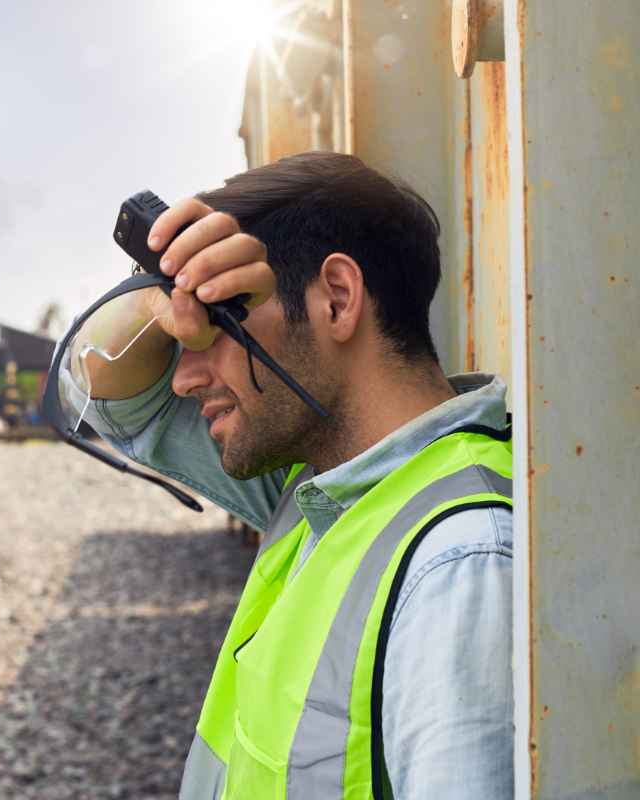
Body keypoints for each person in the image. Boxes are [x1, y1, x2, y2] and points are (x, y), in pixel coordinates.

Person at [57, 152, 513, 799]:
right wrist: (159, 293)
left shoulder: (458, 563)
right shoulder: (319, 493)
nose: (184, 376)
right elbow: (107, 395)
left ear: (336, 298)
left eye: (213, 325)